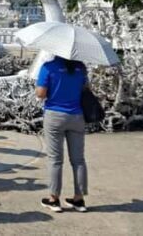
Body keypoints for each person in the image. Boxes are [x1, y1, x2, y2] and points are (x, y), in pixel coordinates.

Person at [35, 55, 89, 213]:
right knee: (78, 160)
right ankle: (79, 199)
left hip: (55, 115)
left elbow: (40, 93)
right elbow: (85, 89)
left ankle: (54, 199)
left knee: (55, 159)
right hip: (76, 115)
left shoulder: (48, 67)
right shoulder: (81, 67)